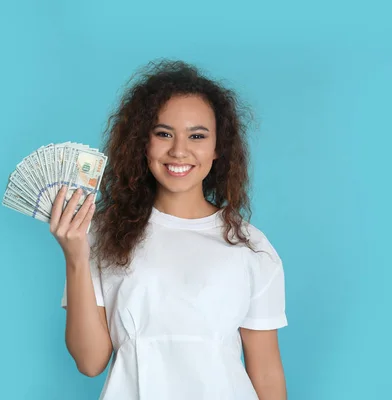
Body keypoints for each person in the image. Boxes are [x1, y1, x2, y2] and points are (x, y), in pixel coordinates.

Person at [49, 59, 288, 400]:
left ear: (218, 147)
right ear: (142, 143)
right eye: (163, 134)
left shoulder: (251, 246)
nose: (179, 150)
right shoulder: (100, 233)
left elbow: (266, 371)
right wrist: (74, 257)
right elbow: (90, 362)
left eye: (197, 135)